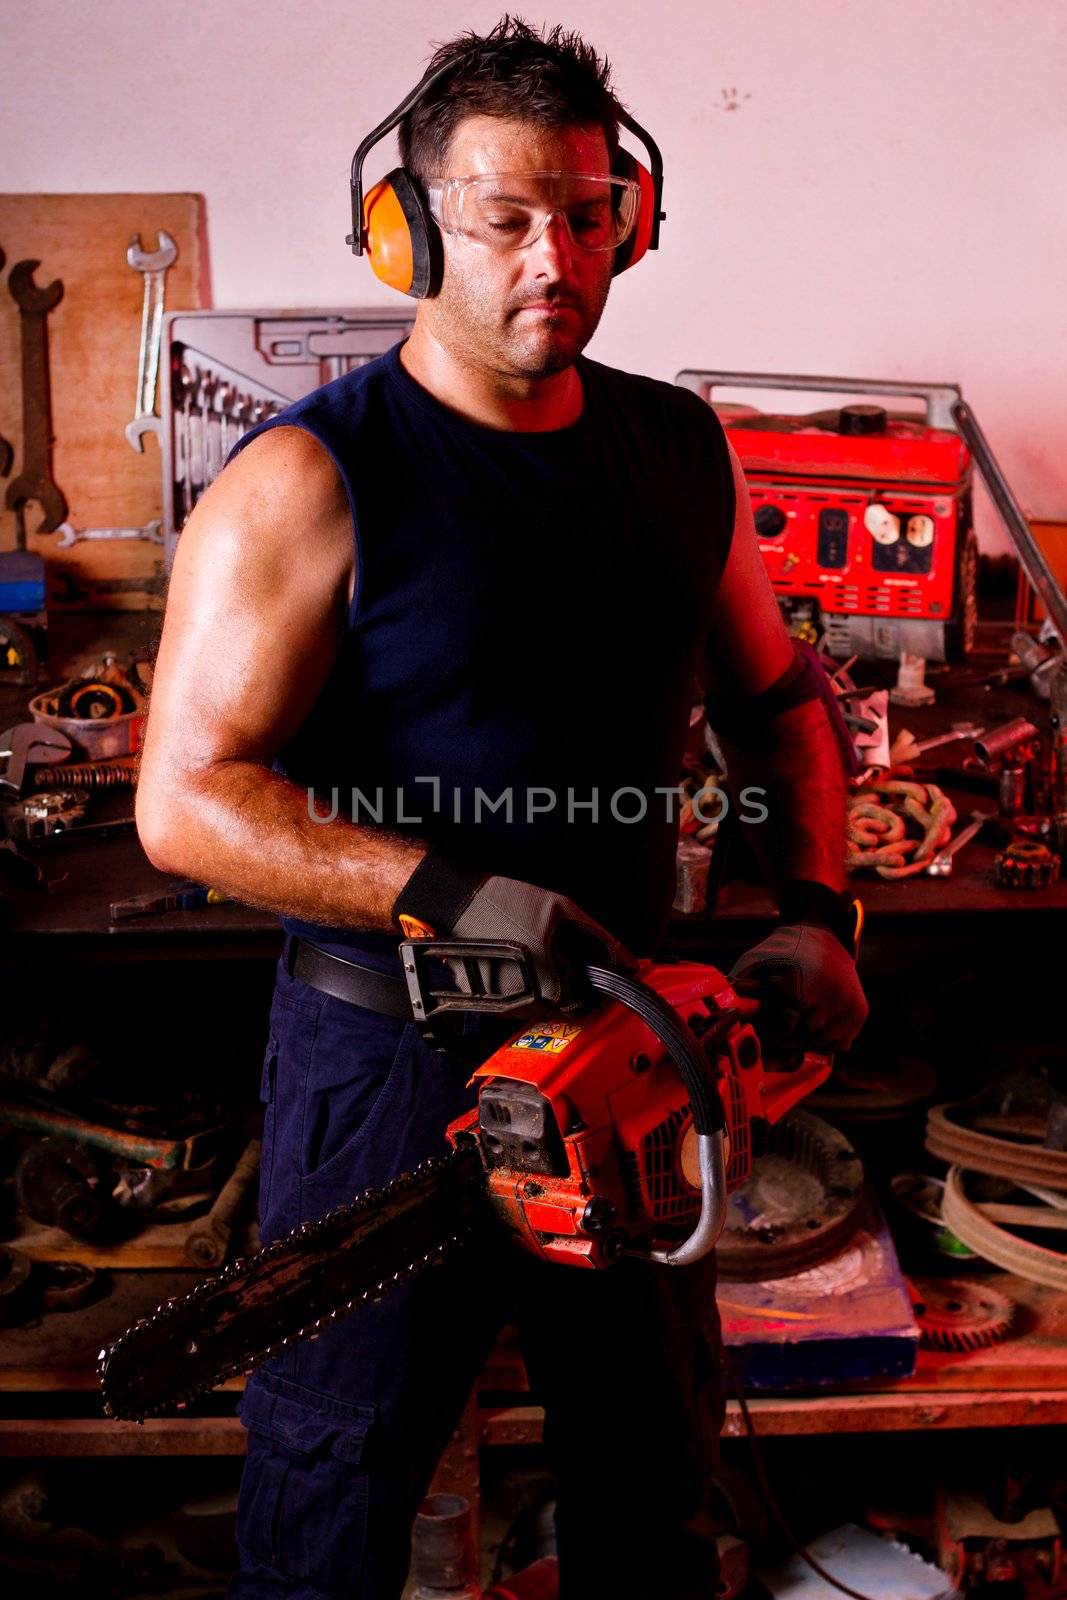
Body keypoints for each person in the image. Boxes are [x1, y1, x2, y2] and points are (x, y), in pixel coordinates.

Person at [135, 18, 868, 1599]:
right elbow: (185, 806)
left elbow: (781, 702)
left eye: (592, 215)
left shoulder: (677, 449)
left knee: (651, 1486)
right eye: (506, 218)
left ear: (636, 220)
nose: (560, 255)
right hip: (392, 1063)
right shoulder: (309, 483)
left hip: (629, 1059)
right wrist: (448, 886)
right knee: (334, 1498)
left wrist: (818, 909)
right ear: (408, 229)